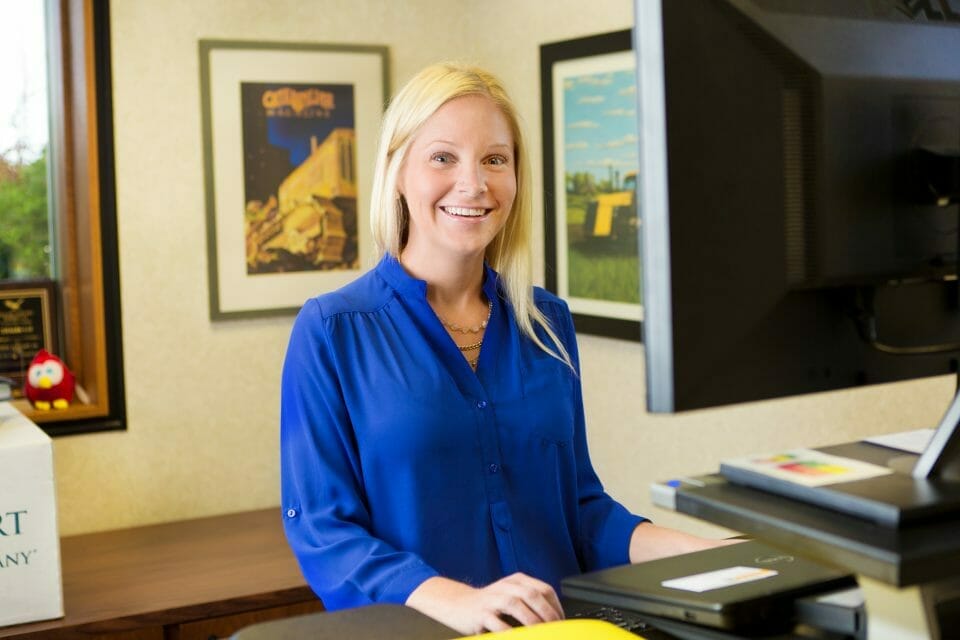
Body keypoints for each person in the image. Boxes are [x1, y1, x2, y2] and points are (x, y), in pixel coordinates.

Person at [280, 61, 732, 636]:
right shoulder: (332, 330)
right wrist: (457, 600)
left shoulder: (546, 322)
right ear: (397, 172)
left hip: (559, 630)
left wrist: (710, 553)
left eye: (495, 159)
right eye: (443, 157)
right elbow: (324, 531)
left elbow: (581, 510)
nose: (474, 184)